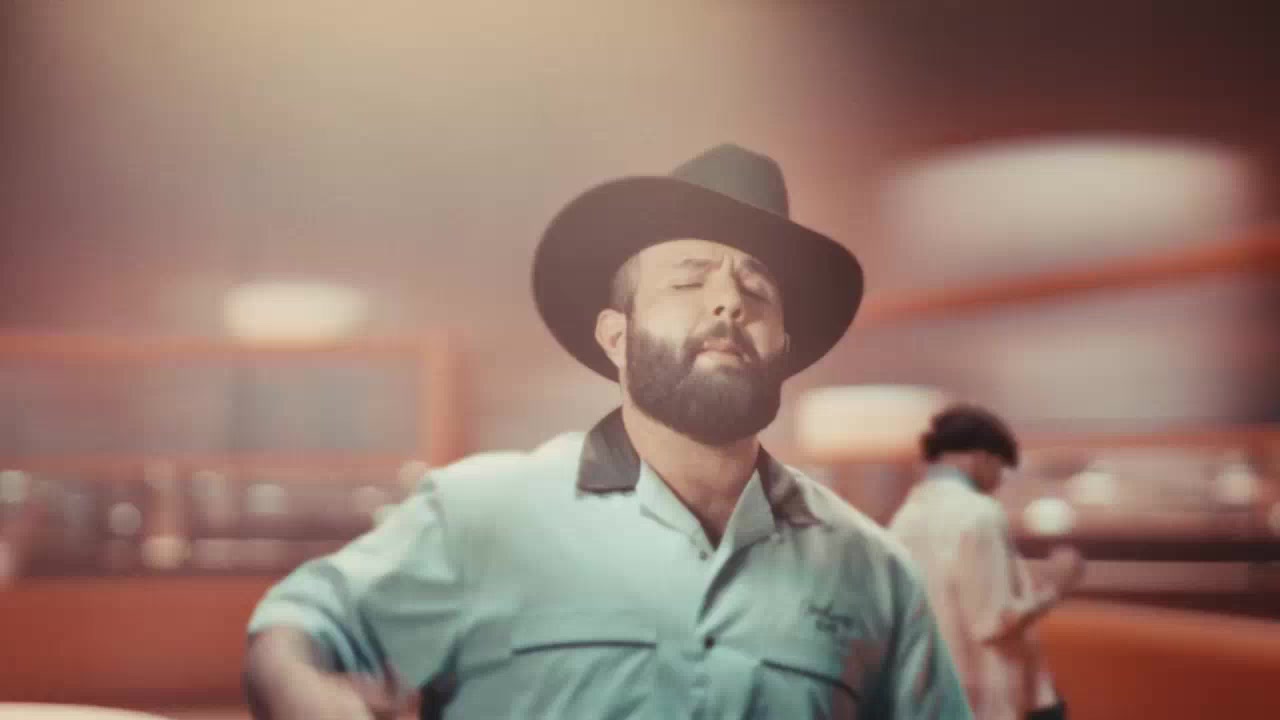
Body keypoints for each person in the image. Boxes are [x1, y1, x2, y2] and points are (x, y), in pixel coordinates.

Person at [242, 144, 973, 719]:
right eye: (689, 279)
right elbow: (293, 631)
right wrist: (314, 699)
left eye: (756, 287)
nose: (728, 302)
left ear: (781, 347)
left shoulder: (872, 571)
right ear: (617, 339)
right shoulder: (480, 518)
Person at [888, 404, 1086, 720]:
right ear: (982, 457)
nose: (999, 480)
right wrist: (1057, 586)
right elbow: (994, 621)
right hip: (991, 695)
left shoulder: (904, 519)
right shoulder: (980, 514)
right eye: (1000, 467)